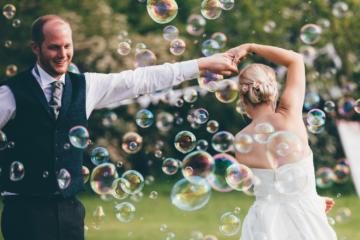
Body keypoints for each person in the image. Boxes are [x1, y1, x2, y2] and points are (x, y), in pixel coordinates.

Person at [0, 14, 238, 240]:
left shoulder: (87, 86)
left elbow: (141, 79)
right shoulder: (11, 93)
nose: (63, 54)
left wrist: (202, 64)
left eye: (67, 46)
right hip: (24, 211)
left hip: (69, 211)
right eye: (54, 47)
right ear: (36, 48)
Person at [226, 43, 337, 240]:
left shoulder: (240, 141)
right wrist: (250, 47)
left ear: (243, 100)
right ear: (274, 91)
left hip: (262, 225)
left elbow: (274, 190)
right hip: (307, 220)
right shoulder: (290, 116)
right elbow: (295, 59)